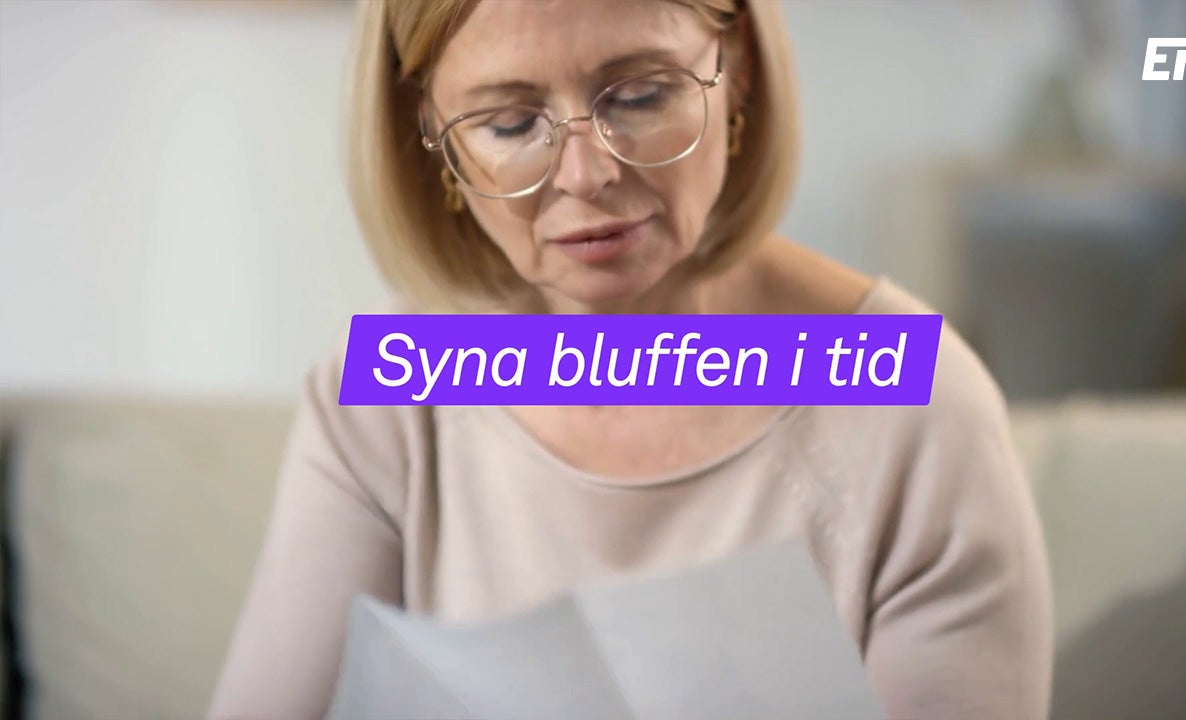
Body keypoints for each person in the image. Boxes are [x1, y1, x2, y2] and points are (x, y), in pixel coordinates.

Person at [208, 0, 1053, 718]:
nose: (587, 174)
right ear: (432, 133)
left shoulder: (911, 396)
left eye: (642, 95)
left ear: (738, 70)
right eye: (510, 124)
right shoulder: (390, 398)